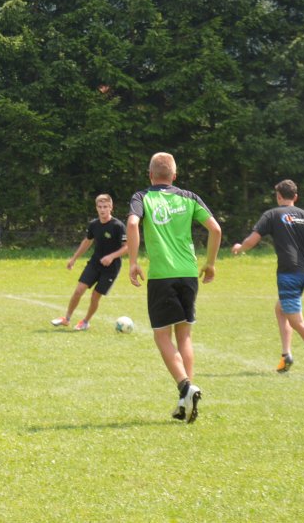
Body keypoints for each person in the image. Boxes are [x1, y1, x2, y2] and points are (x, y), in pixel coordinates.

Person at [127, 152, 221, 423]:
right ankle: (185, 401)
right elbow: (216, 230)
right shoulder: (189, 197)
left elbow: (132, 223)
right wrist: (210, 264)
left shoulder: (142, 197)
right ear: (174, 176)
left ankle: (185, 386)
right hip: (189, 274)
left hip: (162, 276)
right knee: (184, 337)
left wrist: (133, 262)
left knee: (161, 336)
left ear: (150, 175)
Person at [232, 179, 304, 374]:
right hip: (303, 273)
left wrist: (239, 248)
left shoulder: (272, 215)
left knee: (297, 321)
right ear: (295, 197)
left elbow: (252, 240)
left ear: (278, 196)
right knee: (281, 309)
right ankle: (286, 355)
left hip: (288, 275)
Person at [51, 194, 127, 331]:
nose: (102, 210)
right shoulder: (94, 225)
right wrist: (74, 258)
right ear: (96, 208)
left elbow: (127, 247)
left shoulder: (118, 226)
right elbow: (87, 241)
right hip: (94, 263)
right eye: (100, 207)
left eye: (105, 207)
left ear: (111, 207)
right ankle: (66, 319)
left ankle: (85, 322)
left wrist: (111, 257)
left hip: (111, 268)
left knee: (95, 296)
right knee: (78, 290)